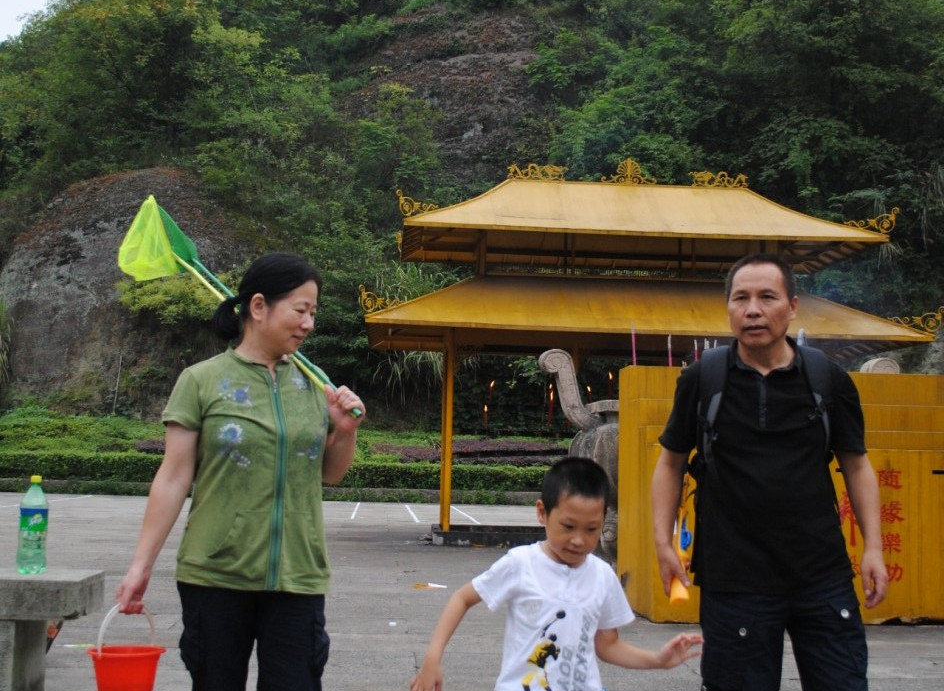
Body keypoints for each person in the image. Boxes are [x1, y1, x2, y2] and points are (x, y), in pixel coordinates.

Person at [116, 252, 366, 691]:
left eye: (313, 313)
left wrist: (344, 431)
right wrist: (141, 566)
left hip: (298, 575)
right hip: (215, 575)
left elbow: (330, 474)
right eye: (300, 310)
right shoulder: (201, 381)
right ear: (257, 307)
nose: (308, 323)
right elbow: (173, 478)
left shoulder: (313, 387)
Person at [651, 252, 888, 691]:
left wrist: (873, 547)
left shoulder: (827, 380)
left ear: (793, 306)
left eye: (767, 297)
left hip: (821, 574)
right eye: (740, 298)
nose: (753, 309)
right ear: (728, 309)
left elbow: (856, 464)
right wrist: (662, 542)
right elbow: (670, 461)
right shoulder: (703, 380)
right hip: (734, 577)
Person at [411, 456, 703, 691]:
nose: (578, 539)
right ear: (542, 513)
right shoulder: (521, 564)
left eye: (591, 529)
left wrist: (657, 660)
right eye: (568, 526)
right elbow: (462, 598)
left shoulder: (602, 576)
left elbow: (608, 645)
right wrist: (432, 658)